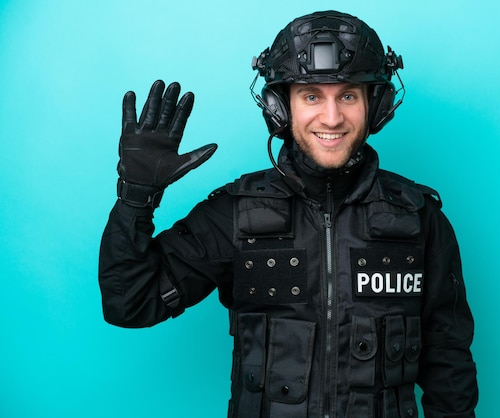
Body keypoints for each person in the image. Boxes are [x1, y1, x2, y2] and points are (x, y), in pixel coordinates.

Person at [99, 10, 478, 418]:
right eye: (311, 95)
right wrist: (136, 198)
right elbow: (130, 303)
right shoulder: (235, 213)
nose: (331, 118)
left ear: (377, 106)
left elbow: (449, 368)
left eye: (348, 95)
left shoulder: (420, 220)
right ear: (279, 108)